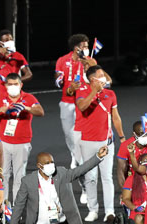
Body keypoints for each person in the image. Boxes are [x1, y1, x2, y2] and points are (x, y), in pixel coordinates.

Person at [75, 65, 125, 223]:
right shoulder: (82, 92)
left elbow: (115, 117)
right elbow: (82, 107)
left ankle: (109, 211)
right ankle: (93, 209)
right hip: (87, 142)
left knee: (107, 177)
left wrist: (122, 137)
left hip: (106, 142)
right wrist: (93, 92)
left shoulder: (110, 94)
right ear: (92, 80)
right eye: (100, 75)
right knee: (90, 177)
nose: (104, 78)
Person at [0, 73, 44, 202]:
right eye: (10, 84)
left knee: (19, 175)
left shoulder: (28, 98)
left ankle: (17, 206)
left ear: (21, 84)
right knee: (3, 174)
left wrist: (26, 108)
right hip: (4, 142)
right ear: (5, 85)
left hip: (22, 142)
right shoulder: (1, 98)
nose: (12, 87)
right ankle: (3, 205)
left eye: (15, 84)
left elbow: (40, 112)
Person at [55, 33, 97, 169]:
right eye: (84, 46)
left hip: (83, 102)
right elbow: (57, 81)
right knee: (68, 134)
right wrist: (61, 81)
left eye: (87, 46)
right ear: (75, 48)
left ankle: (79, 159)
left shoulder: (90, 60)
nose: (86, 48)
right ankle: (75, 154)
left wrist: (88, 64)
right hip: (66, 102)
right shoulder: (62, 60)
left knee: (81, 132)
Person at [0, 29, 32, 105]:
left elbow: (29, 74)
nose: (10, 41)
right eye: (6, 40)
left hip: (14, 96)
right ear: (1, 43)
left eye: (11, 39)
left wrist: (15, 81)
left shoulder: (18, 56)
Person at [116, 120, 147, 189]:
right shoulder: (125, 146)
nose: (145, 136)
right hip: (133, 179)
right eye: (142, 134)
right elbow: (121, 171)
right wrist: (125, 190)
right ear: (134, 134)